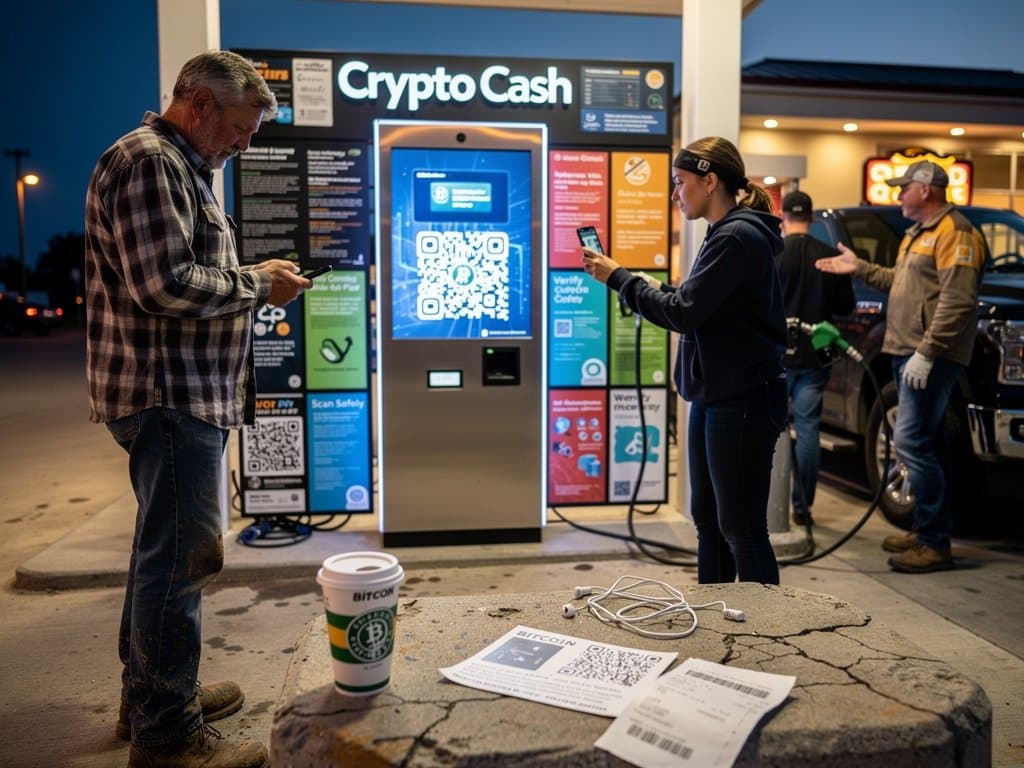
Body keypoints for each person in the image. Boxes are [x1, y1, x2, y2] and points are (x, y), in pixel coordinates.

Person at [85, 51, 309, 768]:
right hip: (169, 394)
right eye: (240, 128)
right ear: (201, 105)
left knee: (163, 555)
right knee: (181, 561)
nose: (245, 144)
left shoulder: (182, 169)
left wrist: (252, 278)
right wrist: (257, 283)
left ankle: (152, 695)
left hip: (181, 396)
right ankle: (167, 737)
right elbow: (164, 284)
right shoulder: (151, 161)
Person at [582, 136, 788, 585]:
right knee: (709, 520)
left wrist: (619, 279)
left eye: (680, 182)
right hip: (716, 395)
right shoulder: (724, 233)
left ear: (709, 181)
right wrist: (637, 282)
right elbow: (695, 302)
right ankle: (715, 621)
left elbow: (682, 313)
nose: (676, 194)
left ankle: (772, 635)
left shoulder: (738, 235)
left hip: (744, 400)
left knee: (741, 528)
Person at [816, 160, 985, 574]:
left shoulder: (954, 233)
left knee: (910, 444)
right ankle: (928, 529)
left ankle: (934, 543)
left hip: (929, 356)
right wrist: (860, 268)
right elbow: (901, 283)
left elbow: (958, 302)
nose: (898, 194)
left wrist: (928, 352)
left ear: (925, 189)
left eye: (903, 187)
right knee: (928, 443)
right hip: (907, 351)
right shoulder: (918, 234)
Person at [777, 190, 855, 527]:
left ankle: (770, 505)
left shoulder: (772, 255)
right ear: (810, 217)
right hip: (814, 357)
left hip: (775, 357)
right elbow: (845, 307)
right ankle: (802, 507)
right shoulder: (828, 256)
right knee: (807, 429)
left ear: (783, 217)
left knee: (773, 430)